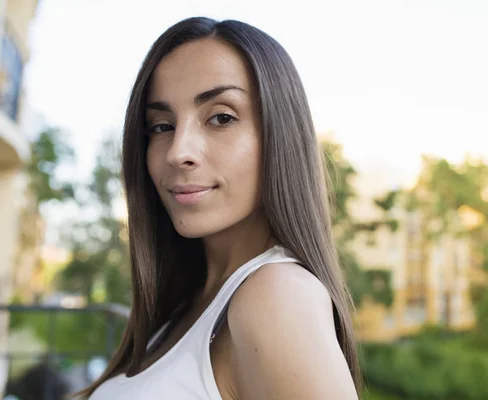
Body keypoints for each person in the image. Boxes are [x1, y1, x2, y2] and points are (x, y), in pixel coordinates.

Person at [78, 17, 360, 399]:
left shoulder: (278, 295)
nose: (178, 152)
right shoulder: (189, 303)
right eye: (161, 126)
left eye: (221, 118)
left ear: (281, 136)